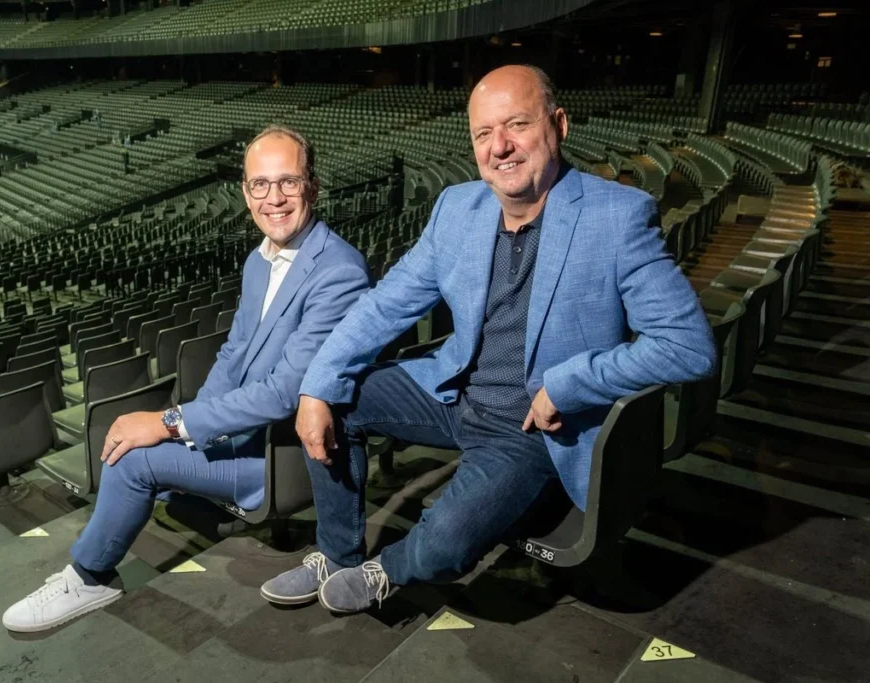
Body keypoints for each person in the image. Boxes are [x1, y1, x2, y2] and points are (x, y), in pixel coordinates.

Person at [260, 65, 717, 613]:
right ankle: (337, 554)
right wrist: (317, 386)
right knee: (337, 396)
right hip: (454, 394)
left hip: (532, 427)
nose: (499, 146)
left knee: (447, 542)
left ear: (559, 125)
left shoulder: (617, 218)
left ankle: (391, 568)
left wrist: (569, 384)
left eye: (517, 124)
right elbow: (384, 305)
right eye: (483, 133)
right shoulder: (457, 208)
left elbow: (688, 344)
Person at [2, 125, 370, 632]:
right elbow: (234, 352)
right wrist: (197, 430)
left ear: (313, 185)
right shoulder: (258, 261)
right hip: (240, 438)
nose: (274, 198)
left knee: (133, 458)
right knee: (137, 431)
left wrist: (172, 422)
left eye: (288, 182)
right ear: (244, 191)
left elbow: (287, 393)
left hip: (277, 457)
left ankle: (90, 578)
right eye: (260, 184)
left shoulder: (338, 271)